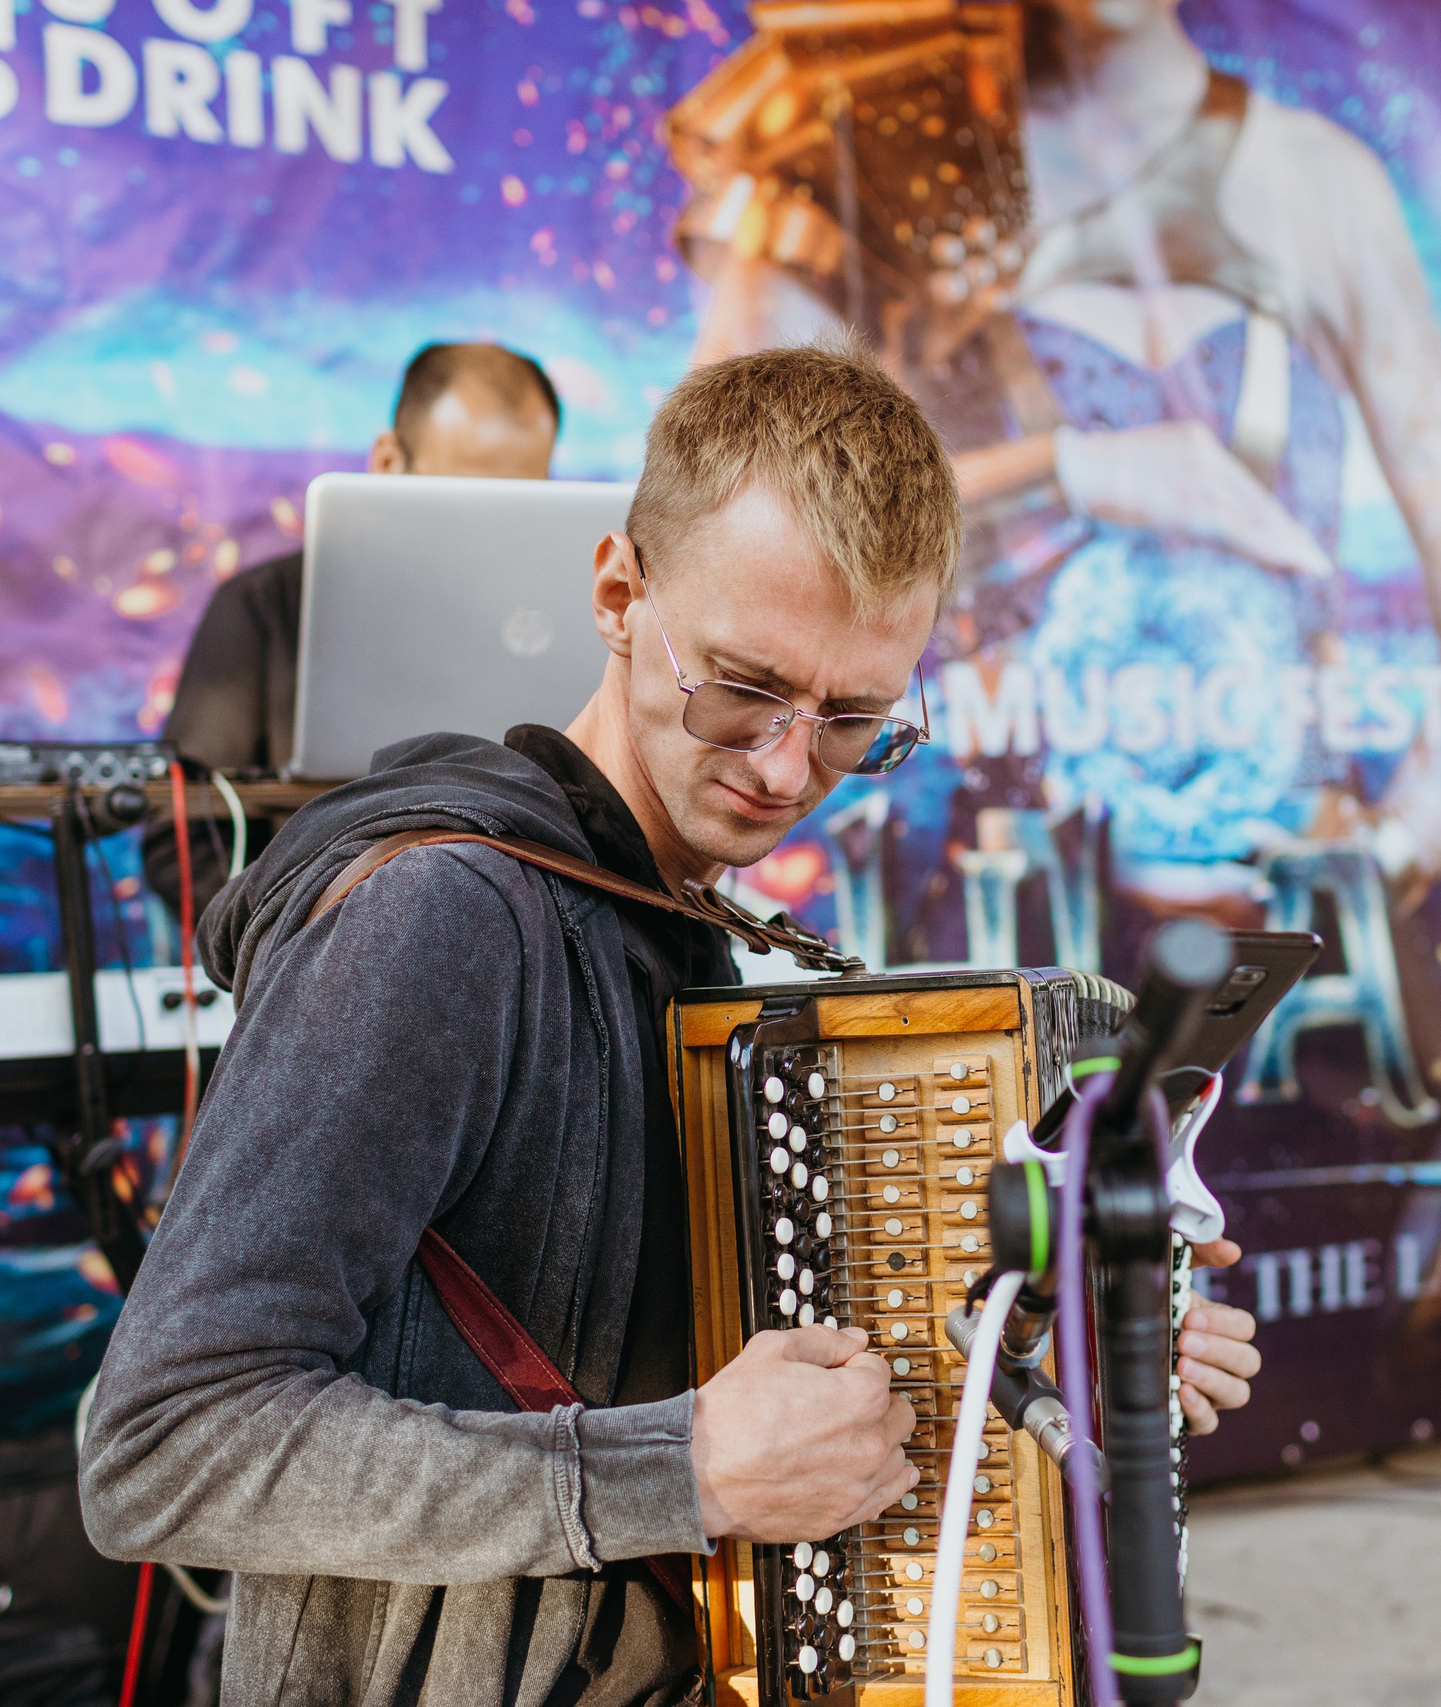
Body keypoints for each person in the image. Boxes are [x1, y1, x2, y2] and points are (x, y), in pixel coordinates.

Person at [79, 345, 1264, 1705]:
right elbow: (166, 1443)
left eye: (852, 720)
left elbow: (762, 1381)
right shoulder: (437, 918)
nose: (782, 768)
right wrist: (682, 1468)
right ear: (618, 592)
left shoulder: (698, 932)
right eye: (745, 687)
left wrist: (1063, 1353)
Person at [669, 0, 1441, 887]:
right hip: (998, 900)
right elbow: (710, 529)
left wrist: (1388, 859)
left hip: (1282, 906)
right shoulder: (860, 168)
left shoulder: (1318, 183)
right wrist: (1073, 469)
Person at [141, 340, 564, 911]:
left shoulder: (563, 620)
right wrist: (305, 945)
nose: (490, 529)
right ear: (389, 460)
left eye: (519, 505)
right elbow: (187, 847)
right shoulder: (262, 607)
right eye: (462, 498)